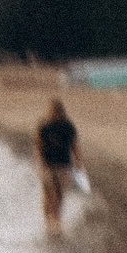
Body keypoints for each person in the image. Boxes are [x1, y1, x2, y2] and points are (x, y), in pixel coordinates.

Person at [37, 91, 83, 231]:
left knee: (58, 194)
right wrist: (39, 162)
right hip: (50, 165)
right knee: (49, 194)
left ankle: (55, 220)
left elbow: (74, 145)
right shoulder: (45, 126)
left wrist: (78, 162)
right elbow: (38, 145)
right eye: (53, 111)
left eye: (55, 111)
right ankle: (49, 221)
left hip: (62, 165)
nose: (54, 114)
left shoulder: (67, 127)